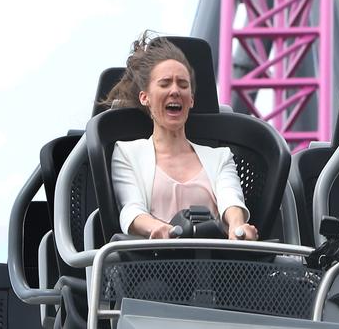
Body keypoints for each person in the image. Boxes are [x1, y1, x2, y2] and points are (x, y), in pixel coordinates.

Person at [101, 31, 258, 241]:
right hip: (153, 265)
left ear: (191, 99)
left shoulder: (220, 157)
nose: (175, 91)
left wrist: (238, 226)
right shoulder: (127, 153)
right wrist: (159, 228)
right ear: (145, 97)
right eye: (165, 83)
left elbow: (231, 200)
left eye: (183, 85)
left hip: (215, 265)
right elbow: (132, 211)